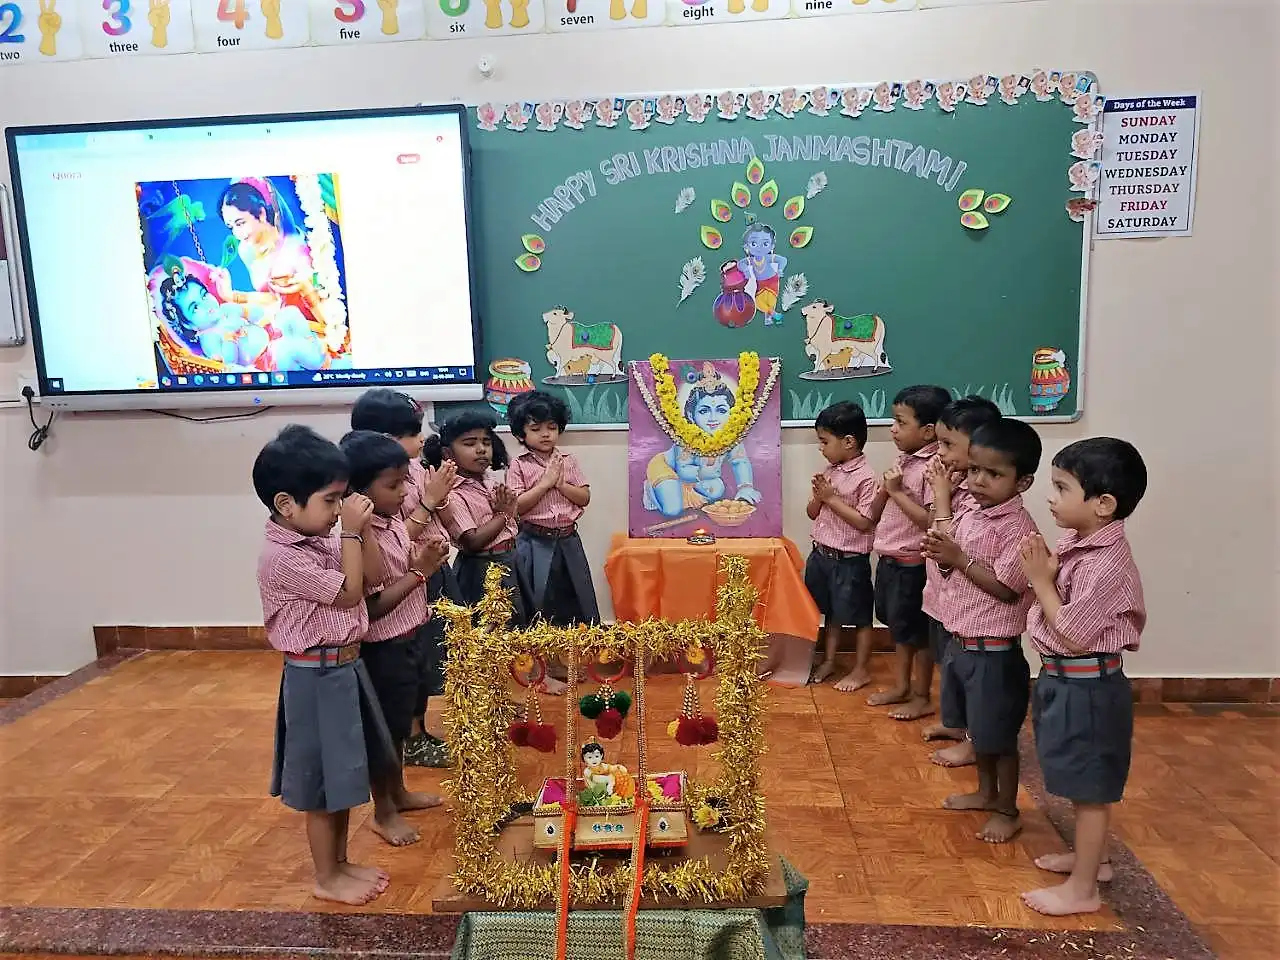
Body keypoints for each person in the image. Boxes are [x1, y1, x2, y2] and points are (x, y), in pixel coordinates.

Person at [253, 425, 397, 905]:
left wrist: (364, 530)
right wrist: (352, 532)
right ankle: (325, 876)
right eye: (331, 500)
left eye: (342, 500)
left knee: (342, 777)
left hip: (344, 670)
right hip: (314, 676)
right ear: (286, 503)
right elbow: (351, 593)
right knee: (319, 784)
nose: (338, 512)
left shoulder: (317, 540)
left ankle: (340, 863)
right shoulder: (283, 557)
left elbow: (373, 574)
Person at [1019, 438, 1148, 916]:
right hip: (1066, 682)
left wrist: (1039, 581)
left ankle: (1083, 889)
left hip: (1090, 687)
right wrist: (1048, 576)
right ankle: (1095, 860)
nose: (1051, 497)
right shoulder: (1079, 539)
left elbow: (1072, 632)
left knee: (1092, 790)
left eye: (1061, 487)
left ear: (1104, 504)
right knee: (1077, 774)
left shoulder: (1106, 563)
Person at [922, 418, 1041, 845]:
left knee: (999, 739)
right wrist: (941, 552)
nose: (979, 481)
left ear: (1023, 481)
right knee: (977, 732)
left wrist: (958, 558)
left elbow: (1008, 589)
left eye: (994, 474)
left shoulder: (1019, 528)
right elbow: (950, 557)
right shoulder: (971, 511)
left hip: (995, 653)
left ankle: (1008, 811)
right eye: (974, 470)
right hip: (962, 643)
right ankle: (985, 792)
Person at [338, 431, 449, 846]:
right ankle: (383, 811)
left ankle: (398, 792)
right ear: (357, 492)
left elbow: (404, 539)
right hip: (380, 648)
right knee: (380, 733)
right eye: (394, 485)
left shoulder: (387, 523)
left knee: (399, 727)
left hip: (408, 637)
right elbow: (371, 605)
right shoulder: (357, 536)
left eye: (406, 481)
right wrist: (420, 572)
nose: (405, 492)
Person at [351, 389, 458, 767]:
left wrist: (438, 499)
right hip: (406, 586)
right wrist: (429, 501)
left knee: (424, 665)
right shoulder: (368, 502)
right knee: (397, 689)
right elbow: (395, 544)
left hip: (422, 579)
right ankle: (410, 740)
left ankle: (418, 731)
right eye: (412, 433)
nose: (422, 439)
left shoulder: (409, 471)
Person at [920, 396, 1003, 766]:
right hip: (949, 602)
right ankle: (958, 726)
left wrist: (941, 498)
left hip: (977, 615)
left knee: (977, 683)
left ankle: (973, 739)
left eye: (948, 444)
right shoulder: (960, 486)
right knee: (952, 667)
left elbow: (948, 543)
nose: (941, 453)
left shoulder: (984, 500)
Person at [867, 385, 952, 720]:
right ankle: (901, 686)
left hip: (913, 564)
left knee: (918, 634)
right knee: (900, 629)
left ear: (928, 431)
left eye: (901, 423)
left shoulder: (934, 467)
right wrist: (886, 492)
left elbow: (931, 520)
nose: (893, 429)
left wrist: (896, 492)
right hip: (890, 560)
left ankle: (921, 694)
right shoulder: (904, 459)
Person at [506, 391, 600, 628]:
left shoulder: (568, 460)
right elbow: (516, 506)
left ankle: (577, 652)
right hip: (534, 541)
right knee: (538, 601)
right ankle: (540, 656)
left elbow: (584, 497)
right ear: (521, 433)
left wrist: (561, 484)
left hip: (569, 539)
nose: (546, 434)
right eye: (536, 428)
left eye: (552, 427)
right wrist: (545, 483)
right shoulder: (518, 465)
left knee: (578, 597)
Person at [426, 411, 529, 625]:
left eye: (486, 442)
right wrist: (503, 514)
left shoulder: (490, 482)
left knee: (519, 625)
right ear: (448, 453)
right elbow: (472, 542)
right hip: (482, 568)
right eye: (470, 443)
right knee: (490, 634)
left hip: (510, 558)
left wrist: (509, 513)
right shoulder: (451, 491)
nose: (481, 449)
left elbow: (511, 523)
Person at [804, 401, 878, 690]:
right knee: (830, 612)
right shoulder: (831, 470)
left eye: (824, 441)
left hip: (849, 560)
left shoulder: (867, 478)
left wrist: (832, 498)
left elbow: (864, 522)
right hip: (821, 554)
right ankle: (829, 661)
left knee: (859, 616)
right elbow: (812, 513)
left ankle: (861, 669)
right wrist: (820, 497)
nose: (821, 448)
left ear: (848, 442)